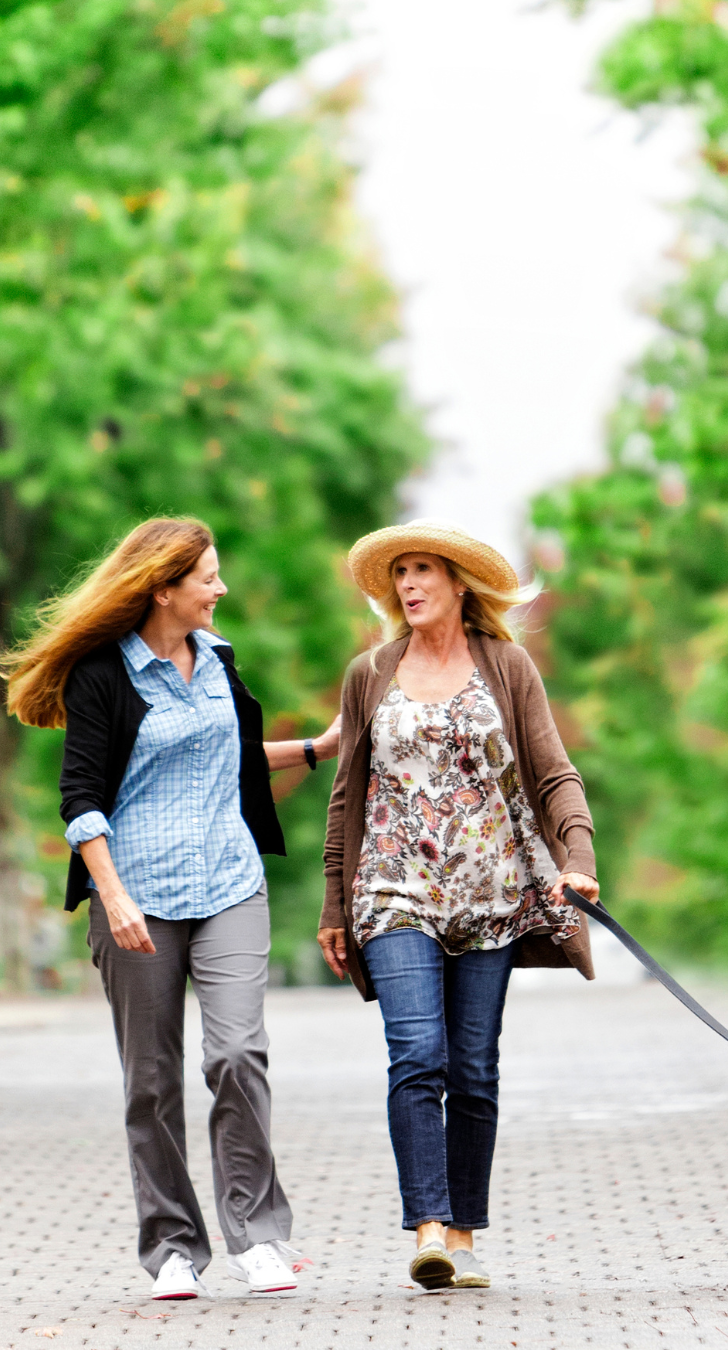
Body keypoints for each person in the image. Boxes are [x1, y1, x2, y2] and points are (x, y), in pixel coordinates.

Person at [3, 518, 340, 1301]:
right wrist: (111, 896)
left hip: (229, 881)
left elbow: (226, 756)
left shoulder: (220, 661)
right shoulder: (102, 676)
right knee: (150, 1082)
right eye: (208, 578)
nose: (221, 589)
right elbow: (80, 799)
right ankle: (173, 1247)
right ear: (164, 588)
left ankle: (257, 1235)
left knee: (236, 1054)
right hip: (139, 899)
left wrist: (317, 748)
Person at [317, 519, 600, 1291]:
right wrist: (334, 903)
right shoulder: (371, 672)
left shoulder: (506, 667)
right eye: (399, 573)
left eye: (422, 571)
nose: (407, 585)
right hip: (392, 890)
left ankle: (466, 1233)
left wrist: (578, 857)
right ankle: (429, 1231)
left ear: (458, 582)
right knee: (418, 1054)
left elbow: (553, 773)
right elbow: (348, 798)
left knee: (474, 1068)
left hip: (493, 898)